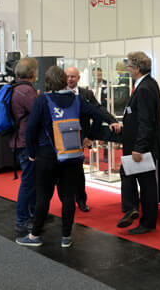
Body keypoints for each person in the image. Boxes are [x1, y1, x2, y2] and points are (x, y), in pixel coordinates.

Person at [17, 66, 105, 248]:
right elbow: (98, 115)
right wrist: (89, 137)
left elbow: (31, 129)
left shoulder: (43, 100)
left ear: (48, 82)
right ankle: (66, 236)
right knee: (68, 197)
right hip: (72, 156)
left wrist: (32, 153)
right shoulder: (77, 99)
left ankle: (34, 236)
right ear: (65, 80)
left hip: (47, 155)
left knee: (43, 197)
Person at [117, 51, 160, 234]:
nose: (127, 69)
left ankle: (147, 222)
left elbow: (146, 121)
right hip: (139, 144)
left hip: (142, 147)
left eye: (129, 66)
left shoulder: (144, 89)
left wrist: (139, 148)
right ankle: (132, 209)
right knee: (129, 175)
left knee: (146, 184)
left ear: (137, 68)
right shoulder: (147, 84)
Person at [65, 66, 121, 212]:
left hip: (80, 139)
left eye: (73, 76)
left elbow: (99, 110)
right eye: (67, 76)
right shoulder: (58, 93)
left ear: (78, 78)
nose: (70, 79)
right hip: (62, 140)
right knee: (63, 172)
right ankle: (66, 201)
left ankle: (81, 200)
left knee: (78, 171)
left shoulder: (86, 94)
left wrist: (112, 121)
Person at [9, 57, 39, 236]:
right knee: (28, 182)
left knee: (30, 181)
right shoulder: (27, 91)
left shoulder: (13, 88)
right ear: (33, 73)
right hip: (26, 142)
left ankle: (33, 214)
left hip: (17, 140)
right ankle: (22, 220)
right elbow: (38, 113)